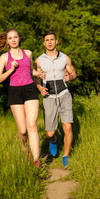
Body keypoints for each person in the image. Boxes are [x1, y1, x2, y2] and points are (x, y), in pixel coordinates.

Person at [0, 28, 44, 168]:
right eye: (10, 38)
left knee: (32, 125)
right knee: (22, 130)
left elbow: (29, 71)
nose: (13, 40)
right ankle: (25, 148)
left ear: (19, 38)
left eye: (15, 37)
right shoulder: (4, 57)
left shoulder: (28, 53)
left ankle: (36, 161)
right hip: (15, 91)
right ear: (7, 41)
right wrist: (10, 69)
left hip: (30, 90)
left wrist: (38, 74)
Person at [35, 31, 77, 167]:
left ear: (56, 41)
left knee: (67, 126)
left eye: (52, 39)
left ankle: (66, 156)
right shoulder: (39, 60)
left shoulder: (65, 58)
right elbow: (36, 77)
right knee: (49, 133)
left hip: (64, 94)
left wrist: (70, 77)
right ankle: (53, 140)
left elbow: (73, 73)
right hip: (49, 97)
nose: (49, 42)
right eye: (47, 40)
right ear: (44, 43)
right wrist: (40, 88)